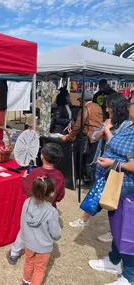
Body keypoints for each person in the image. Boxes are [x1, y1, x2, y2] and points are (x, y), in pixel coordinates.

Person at [69, 93, 131, 239]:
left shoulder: (127, 126)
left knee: (113, 200)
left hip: (117, 170)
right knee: (95, 194)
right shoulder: (111, 121)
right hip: (104, 166)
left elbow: (117, 146)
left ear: (116, 108)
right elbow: (94, 136)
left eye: (109, 107)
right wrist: (103, 130)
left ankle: (114, 232)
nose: (107, 109)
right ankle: (84, 220)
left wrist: (107, 131)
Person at [88, 95, 134, 285]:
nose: (130, 106)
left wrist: (114, 163)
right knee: (117, 223)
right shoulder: (129, 126)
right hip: (117, 183)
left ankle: (130, 276)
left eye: (132, 103)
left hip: (127, 186)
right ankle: (115, 260)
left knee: (128, 230)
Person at [6, 143, 65, 265]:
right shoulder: (59, 175)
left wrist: (23, 178)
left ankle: (14, 253)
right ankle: (39, 255)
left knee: (24, 231)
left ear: (42, 156)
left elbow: (26, 188)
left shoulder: (35, 172)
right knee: (45, 232)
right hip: (49, 208)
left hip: (32, 207)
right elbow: (60, 196)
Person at [21, 175, 61, 285]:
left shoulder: (26, 203)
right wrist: (57, 236)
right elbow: (55, 233)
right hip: (43, 246)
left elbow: (22, 222)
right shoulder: (52, 211)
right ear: (51, 193)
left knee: (28, 262)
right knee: (39, 268)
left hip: (29, 242)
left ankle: (26, 281)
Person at [61, 89, 103, 182]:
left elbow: (78, 125)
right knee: (93, 158)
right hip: (98, 136)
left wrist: (70, 136)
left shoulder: (85, 109)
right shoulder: (98, 106)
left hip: (88, 137)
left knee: (86, 158)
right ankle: (91, 178)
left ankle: (88, 179)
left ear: (83, 100)